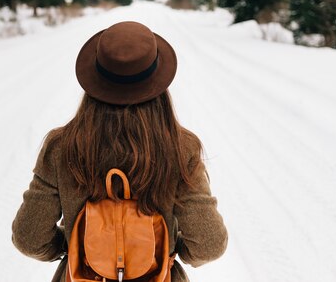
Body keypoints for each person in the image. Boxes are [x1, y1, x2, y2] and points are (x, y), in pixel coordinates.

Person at [12, 21, 228, 281]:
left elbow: (29, 238)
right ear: (158, 83)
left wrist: (76, 248)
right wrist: (167, 250)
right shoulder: (181, 149)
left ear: (94, 80)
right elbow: (209, 243)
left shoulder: (61, 148)